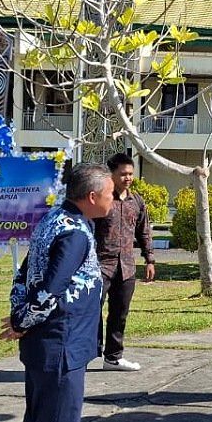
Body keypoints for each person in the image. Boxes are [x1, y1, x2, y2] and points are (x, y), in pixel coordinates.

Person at [1, 163, 113, 422]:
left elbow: (23, 275)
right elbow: (51, 288)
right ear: (93, 197)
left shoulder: (55, 218)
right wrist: (23, 320)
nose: (114, 199)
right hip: (61, 343)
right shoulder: (75, 233)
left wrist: (20, 317)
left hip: (46, 343)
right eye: (110, 193)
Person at [92, 152, 156, 372]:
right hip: (100, 265)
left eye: (131, 173)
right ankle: (86, 354)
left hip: (126, 267)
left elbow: (144, 232)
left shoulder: (136, 201)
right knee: (91, 311)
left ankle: (113, 357)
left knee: (120, 313)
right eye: (123, 174)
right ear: (112, 174)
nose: (128, 178)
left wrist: (149, 259)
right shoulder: (100, 198)